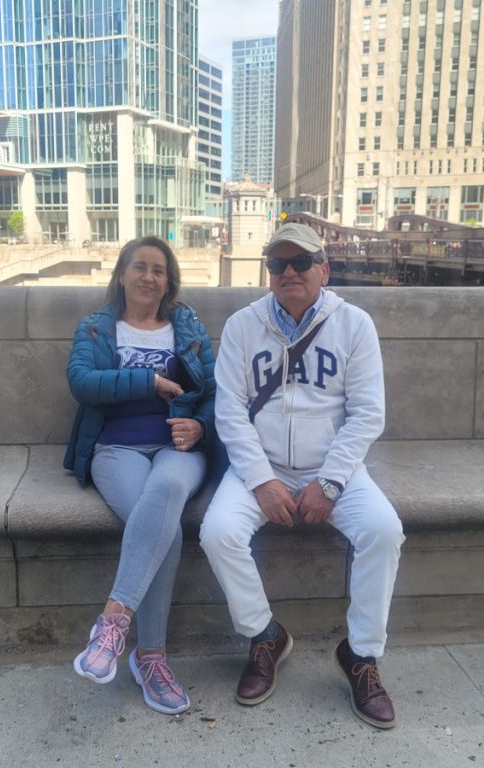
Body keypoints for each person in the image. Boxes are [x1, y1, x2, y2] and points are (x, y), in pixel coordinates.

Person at [199, 222, 405, 729]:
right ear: (268, 272)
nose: (288, 271)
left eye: (300, 261)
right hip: (261, 467)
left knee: (383, 531)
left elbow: (367, 414)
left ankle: (361, 656)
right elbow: (230, 414)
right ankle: (264, 636)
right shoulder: (243, 325)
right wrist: (261, 480)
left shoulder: (354, 324)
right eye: (277, 263)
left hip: (332, 466)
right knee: (217, 532)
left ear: (324, 269)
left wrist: (331, 482)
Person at [64, 236, 216, 716]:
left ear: (169, 279)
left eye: (159, 269)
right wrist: (146, 380)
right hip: (115, 448)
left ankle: (112, 624)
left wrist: (202, 425)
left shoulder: (187, 325)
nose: (149, 277)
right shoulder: (96, 327)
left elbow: (215, 390)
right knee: (163, 532)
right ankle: (149, 657)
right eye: (140, 267)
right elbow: (81, 382)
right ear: (122, 274)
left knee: (169, 490)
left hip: (177, 446)